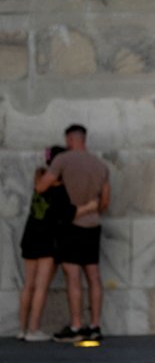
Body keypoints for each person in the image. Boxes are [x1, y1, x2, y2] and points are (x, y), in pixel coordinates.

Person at [36, 125, 110, 343]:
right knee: (94, 275)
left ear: (70, 139)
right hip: (93, 225)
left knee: (73, 276)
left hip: (70, 225)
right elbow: (105, 202)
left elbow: (41, 187)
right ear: (84, 139)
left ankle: (76, 325)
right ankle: (95, 325)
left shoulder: (63, 160)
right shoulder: (100, 165)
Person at [18, 146, 98, 342]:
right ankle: (34, 330)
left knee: (28, 285)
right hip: (46, 240)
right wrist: (89, 207)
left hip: (29, 237)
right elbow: (68, 214)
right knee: (41, 287)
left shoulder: (40, 179)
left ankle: (22, 329)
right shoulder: (59, 187)